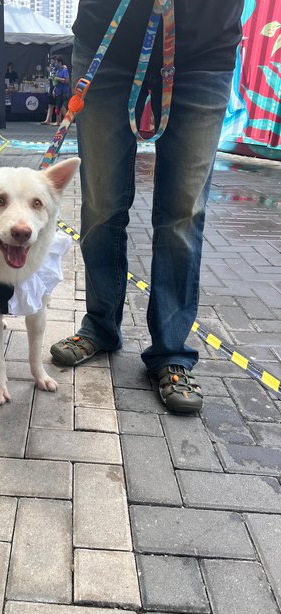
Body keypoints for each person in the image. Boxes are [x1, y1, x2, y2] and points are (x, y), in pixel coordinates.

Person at [50, 0, 244, 413]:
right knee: (101, 204)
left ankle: (171, 351)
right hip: (107, 35)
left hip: (205, 47)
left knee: (183, 213)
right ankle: (101, 326)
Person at [52, 55, 70, 125]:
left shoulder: (64, 70)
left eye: (56, 62)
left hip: (64, 91)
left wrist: (57, 78)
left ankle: (67, 121)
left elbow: (67, 80)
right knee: (57, 106)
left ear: (60, 62)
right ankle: (58, 121)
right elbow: (55, 82)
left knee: (61, 106)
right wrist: (54, 90)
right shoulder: (57, 70)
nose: (55, 64)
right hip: (58, 90)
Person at [40, 58, 57, 125]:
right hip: (51, 88)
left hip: (55, 88)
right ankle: (48, 120)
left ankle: (67, 119)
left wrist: (55, 89)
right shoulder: (52, 69)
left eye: (52, 60)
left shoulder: (57, 69)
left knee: (60, 106)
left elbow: (55, 79)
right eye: (50, 61)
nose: (51, 62)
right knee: (50, 105)